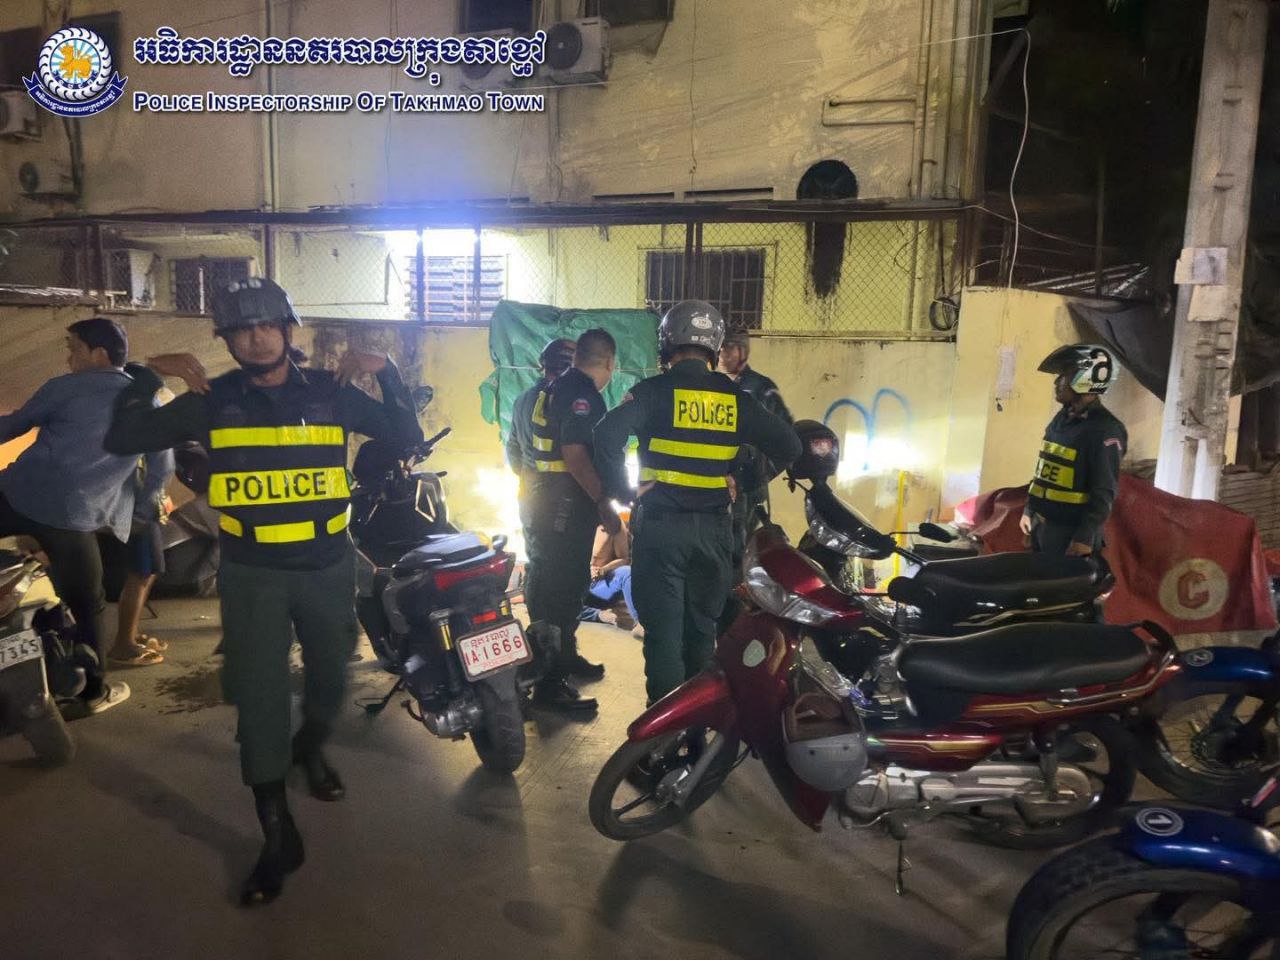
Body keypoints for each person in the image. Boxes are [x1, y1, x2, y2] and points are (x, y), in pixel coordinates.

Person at [103, 277, 423, 907]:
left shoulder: (332, 393)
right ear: (227, 340)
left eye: (266, 326)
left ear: (286, 330)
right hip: (252, 570)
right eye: (240, 330)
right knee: (259, 694)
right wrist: (144, 373)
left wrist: (385, 371)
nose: (254, 339)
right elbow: (123, 437)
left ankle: (310, 746)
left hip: (327, 563)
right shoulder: (210, 399)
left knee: (331, 675)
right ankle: (276, 831)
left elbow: (404, 435)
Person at [594, 301, 801, 705]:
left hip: (661, 531)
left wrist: (623, 491)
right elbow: (789, 445)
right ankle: (696, 725)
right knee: (702, 631)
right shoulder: (735, 398)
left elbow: (605, 436)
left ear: (667, 343)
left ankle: (664, 730)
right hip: (713, 533)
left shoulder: (653, 392)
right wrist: (744, 480)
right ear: (714, 346)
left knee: (663, 634)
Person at [0, 317, 141, 716]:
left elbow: (12, 426)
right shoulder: (144, 402)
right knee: (89, 604)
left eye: (74, 349)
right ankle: (92, 693)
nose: (69, 358)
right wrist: (137, 508)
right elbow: (161, 465)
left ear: (99, 355)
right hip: (75, 519)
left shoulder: (63, 388)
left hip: (17, 496)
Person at [524, 329, 619, 717]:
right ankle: (550, 685)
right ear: (609, 362)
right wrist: (603, 502)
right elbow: (576, 455)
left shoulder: (555, 386)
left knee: (558, 585)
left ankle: (562, 659)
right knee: (561, 591)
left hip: (548, 500)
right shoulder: (582, 393)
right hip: (565, 504)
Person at [1019, 344, 1128, 557]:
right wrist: (1030, 510)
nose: (1057, 382)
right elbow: (1045, 468)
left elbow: (1104, 490)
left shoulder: (1105, 429)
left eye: (1064, 375)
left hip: (1070, 534)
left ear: (1086, 378)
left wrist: (1084, 537)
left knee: (1061, 580)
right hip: (1043, 525)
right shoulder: (1062, 418)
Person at [107, 378, 176, 667]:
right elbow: (162, 467)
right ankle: (124, 644)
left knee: (145, 572)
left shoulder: (120, 416)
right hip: (140, 510)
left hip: (129, 506)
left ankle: (131, 634)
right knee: (142, 573)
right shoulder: (150, 414)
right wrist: (150, 505)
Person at [717, 329, 793, 552]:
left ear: (743, 351)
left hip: (747, 484)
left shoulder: (761, 388)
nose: (723, 353)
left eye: (729, 347)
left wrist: (761, 473)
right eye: (721, 348)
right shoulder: (715, 385)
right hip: (719, 479)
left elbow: (786, 435)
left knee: (739, 544)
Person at [506, 338, 576, 552]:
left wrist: (529, 477)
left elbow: (513, 450)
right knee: (563, 561)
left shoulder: (522, 400)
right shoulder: (573, 402)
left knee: (536, 556)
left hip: (529, 496)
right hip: (564, 501)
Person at [578, 520, 638, 633]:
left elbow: (624, 559)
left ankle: (640, 623)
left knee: (626, 572)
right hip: (577, 587)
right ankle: (599, 615)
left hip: (599, 587)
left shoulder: (614, 524)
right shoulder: (575, 522)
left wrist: (603, 570)